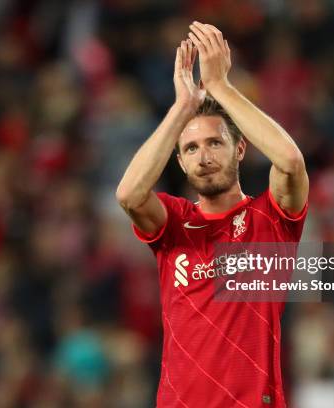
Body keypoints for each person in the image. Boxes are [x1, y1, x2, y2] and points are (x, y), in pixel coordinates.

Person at [116, 21, 309, 408]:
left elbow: (289, 161)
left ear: (239, 150)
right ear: (181, 163)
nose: (203, 158)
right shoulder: (174, 223)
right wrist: (182, 107)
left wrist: (221, 87)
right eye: (190, 149)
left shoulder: (269, 219)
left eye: (215, 143)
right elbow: (129, 195)